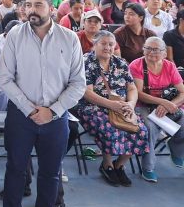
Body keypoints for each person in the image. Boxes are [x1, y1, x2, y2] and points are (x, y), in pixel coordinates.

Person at [0, 0, 85, 207]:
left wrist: (53, 111)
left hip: (56, 119)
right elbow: (5, 79)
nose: (31, 10)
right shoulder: (15, 36)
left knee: (50, 173)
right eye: (28, 5)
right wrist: (29, 109)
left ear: (51, 8)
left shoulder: (70, 39)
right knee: (15, 170)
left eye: (38, 5)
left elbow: (78, 84)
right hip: (21, 117)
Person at [77, 31, 148, 187]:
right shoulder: (86, 62)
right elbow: (87, 93)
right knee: (110, 128)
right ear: (94, 45)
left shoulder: (120, 63)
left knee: (140, 130)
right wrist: (111, 105)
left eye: (111, 44)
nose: (108, 47)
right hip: (93, 107)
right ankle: (107, 164)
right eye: (103, 43)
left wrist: (130, 104)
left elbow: (132, 88)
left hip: (121, 106)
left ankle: (120, 165)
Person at [131, 36, 184, 183]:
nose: (151, 52)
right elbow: (138, 93)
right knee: (150, 128)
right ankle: (148, 168)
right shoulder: (137, 65)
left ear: (164, 53)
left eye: (155, 49)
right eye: (147, 48)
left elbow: (182, 92)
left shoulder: (169, 66)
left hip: (164, 106)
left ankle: (176, 150)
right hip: (143, 106)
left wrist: (169, 105)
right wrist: (162, 102)